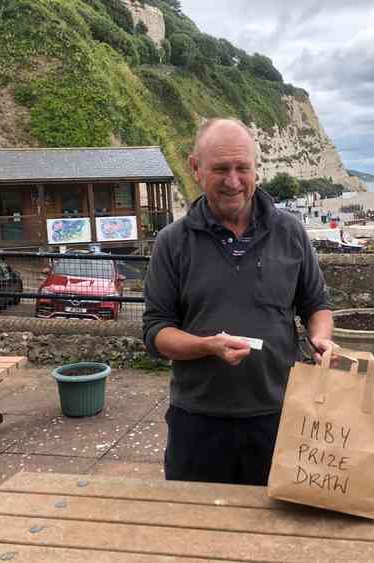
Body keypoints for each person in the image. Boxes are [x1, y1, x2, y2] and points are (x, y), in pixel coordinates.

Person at [143, 118, 335, 486]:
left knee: (278, 531)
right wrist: (205, 346)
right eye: (220, 169)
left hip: (280, 412)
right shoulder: (171, 242)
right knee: (197, 530)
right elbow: (156, 332)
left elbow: (316, 305)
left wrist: (321, 338)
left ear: (255, 169)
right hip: (197, 420)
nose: (233, 181)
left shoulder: (290, 231)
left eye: (242, 168)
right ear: (195, 168)